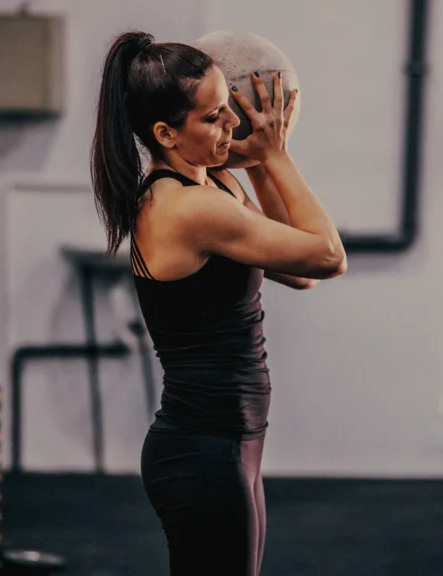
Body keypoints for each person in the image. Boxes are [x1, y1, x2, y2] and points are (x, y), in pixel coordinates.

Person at [89, 30, 347, 576]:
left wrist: (256, 163)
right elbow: (328, 255)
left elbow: (301, 275)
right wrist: (277, 156)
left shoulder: (219, 189)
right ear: (166, 133)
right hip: (202, 450)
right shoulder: (187, 210)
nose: (230, 125)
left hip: (230, 444)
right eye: (212, 118)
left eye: (228, 109)